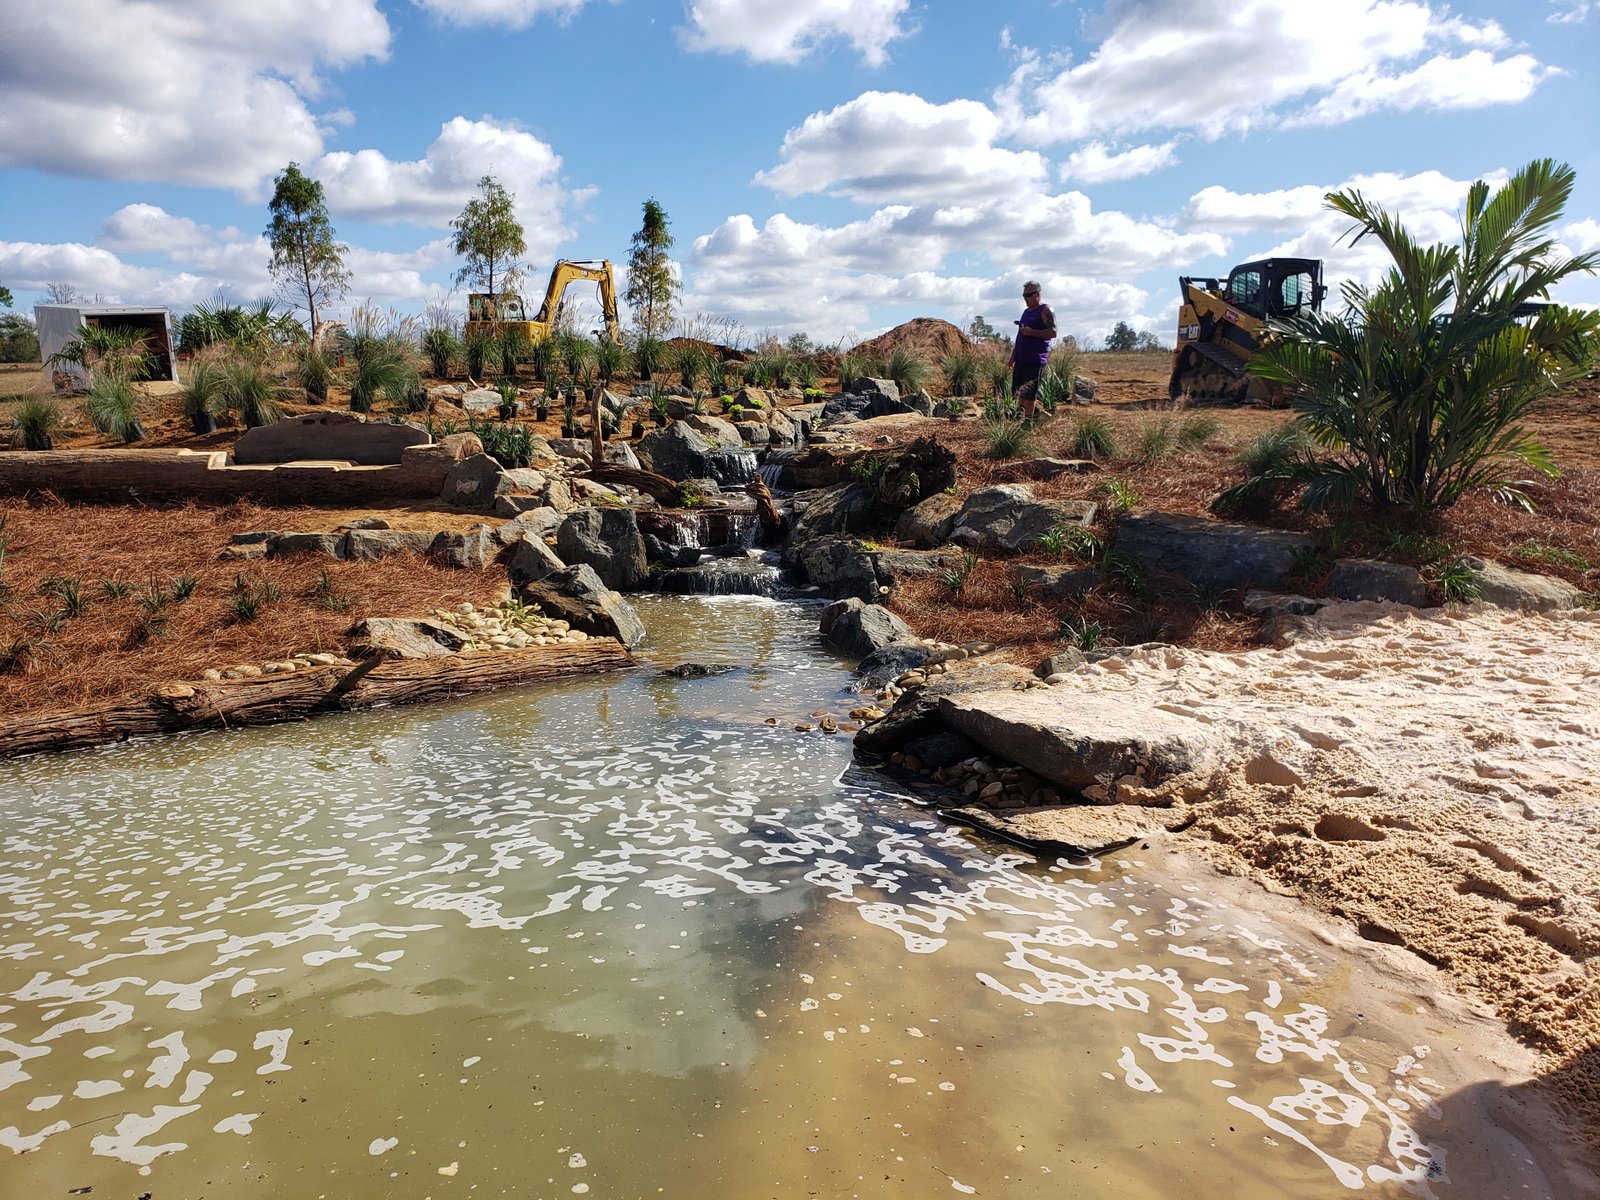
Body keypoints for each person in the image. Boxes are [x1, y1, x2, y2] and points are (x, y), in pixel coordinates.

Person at [1010, 280, 1056, 419]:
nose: (1026, 298)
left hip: (1035, 360)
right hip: (1021, 359)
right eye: (1024, 295)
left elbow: (1053, 333)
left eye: (1029, 295)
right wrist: (1012, 357)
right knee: (1018, 393)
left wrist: (1033, 332)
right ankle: (1031, 417)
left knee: (1029, 395)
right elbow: (1020, 337)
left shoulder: (1045, 310)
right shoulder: (1025, 312)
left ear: (1038, 294)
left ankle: (1028, 423)